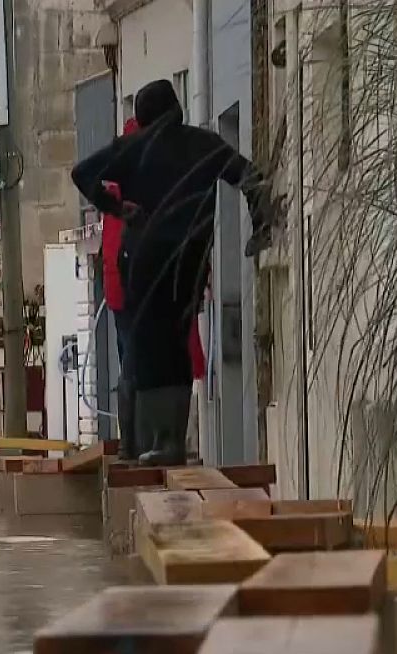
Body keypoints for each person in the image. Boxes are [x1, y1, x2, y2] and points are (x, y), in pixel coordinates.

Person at [72, 78, 273, 466]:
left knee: (148, 347)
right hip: (190, 259)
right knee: (179, 341)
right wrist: (259, 223)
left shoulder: (134, 148)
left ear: (143, 118)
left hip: (146, 260)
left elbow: (83, 173)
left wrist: (116, 208)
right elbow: (251, 177)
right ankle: (173, 441)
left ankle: (157, 442)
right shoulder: (204, 145)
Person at [102, 118, 208, 461]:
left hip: (130, 291)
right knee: (146, 364)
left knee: (135, 364)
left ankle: (136, 444)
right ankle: (149, 443)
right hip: (145, 292)